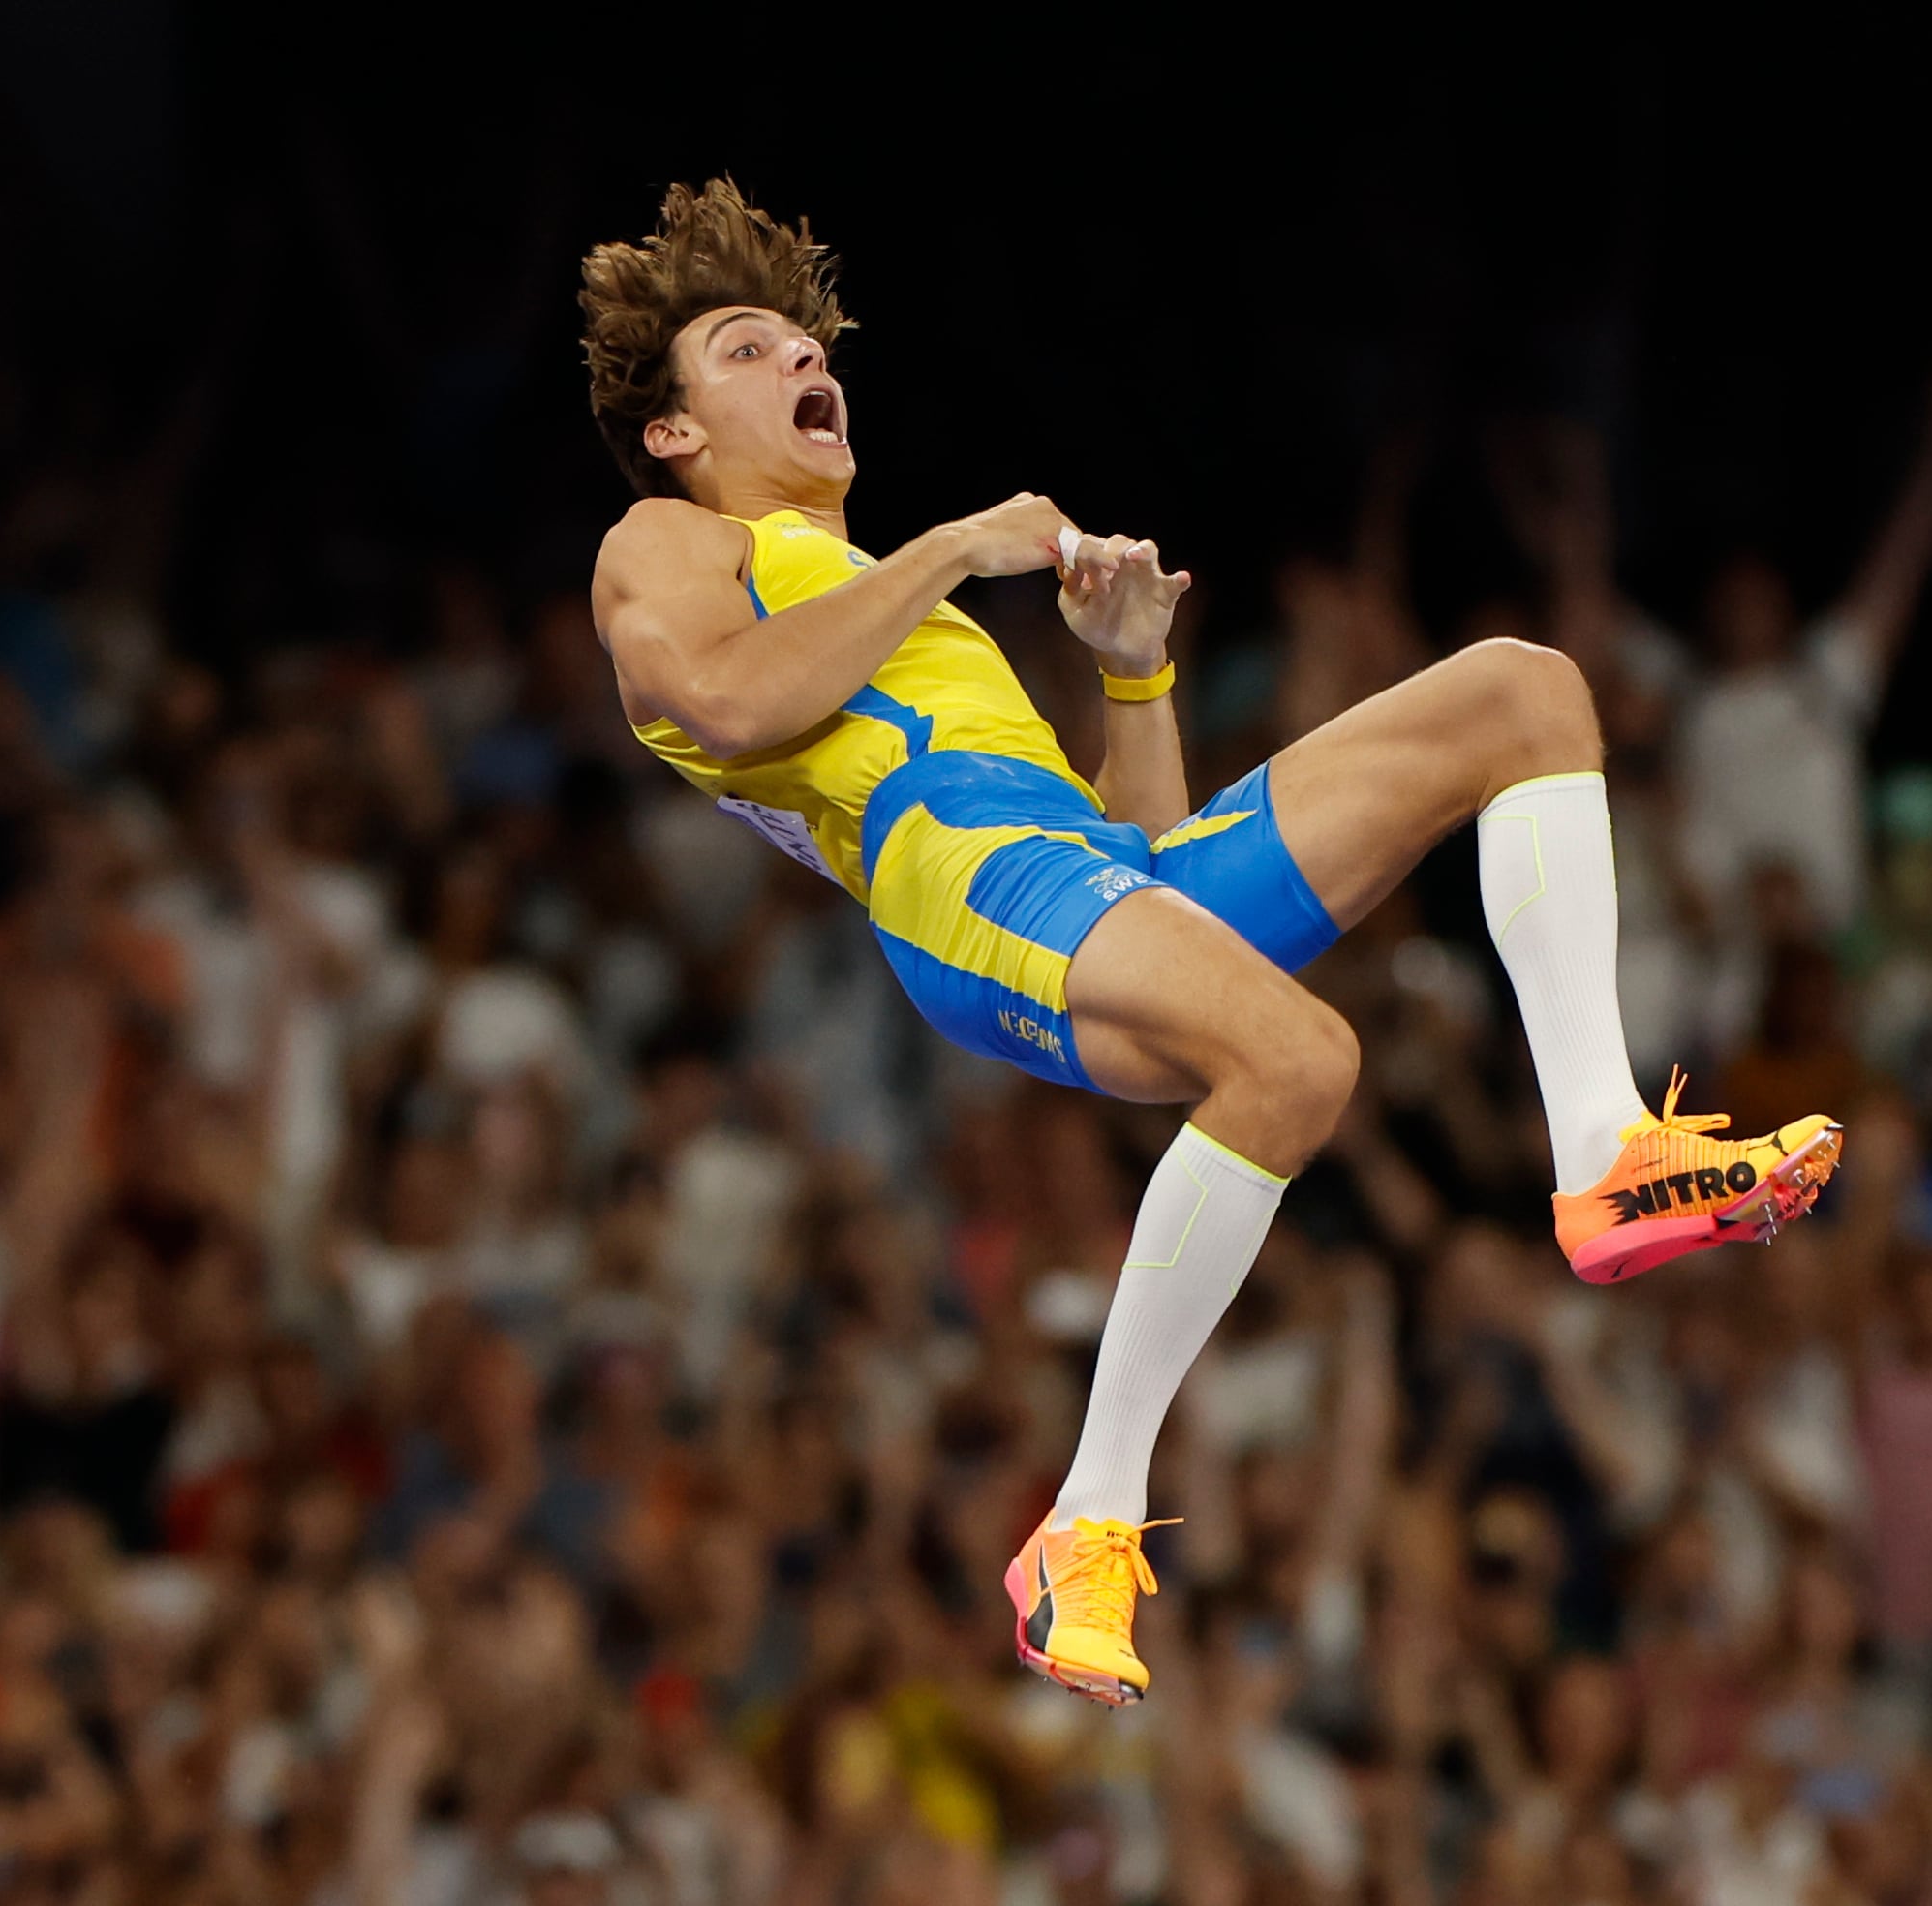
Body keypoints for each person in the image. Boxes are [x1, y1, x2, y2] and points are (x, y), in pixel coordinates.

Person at [578, 181, 1843, 1706]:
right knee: (1300, 1058)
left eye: (800, 340)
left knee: (1522, 691)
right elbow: (720, 703)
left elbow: (1137, 859)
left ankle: (1603, 1148)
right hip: (963, 888)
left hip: (1063, 866)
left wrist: (1130, 677)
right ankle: (1087, 1519)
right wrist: (952, 547)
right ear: (672, 429)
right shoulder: (665, 540)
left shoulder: (883, 606)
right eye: (742, 350)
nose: (794, 361)